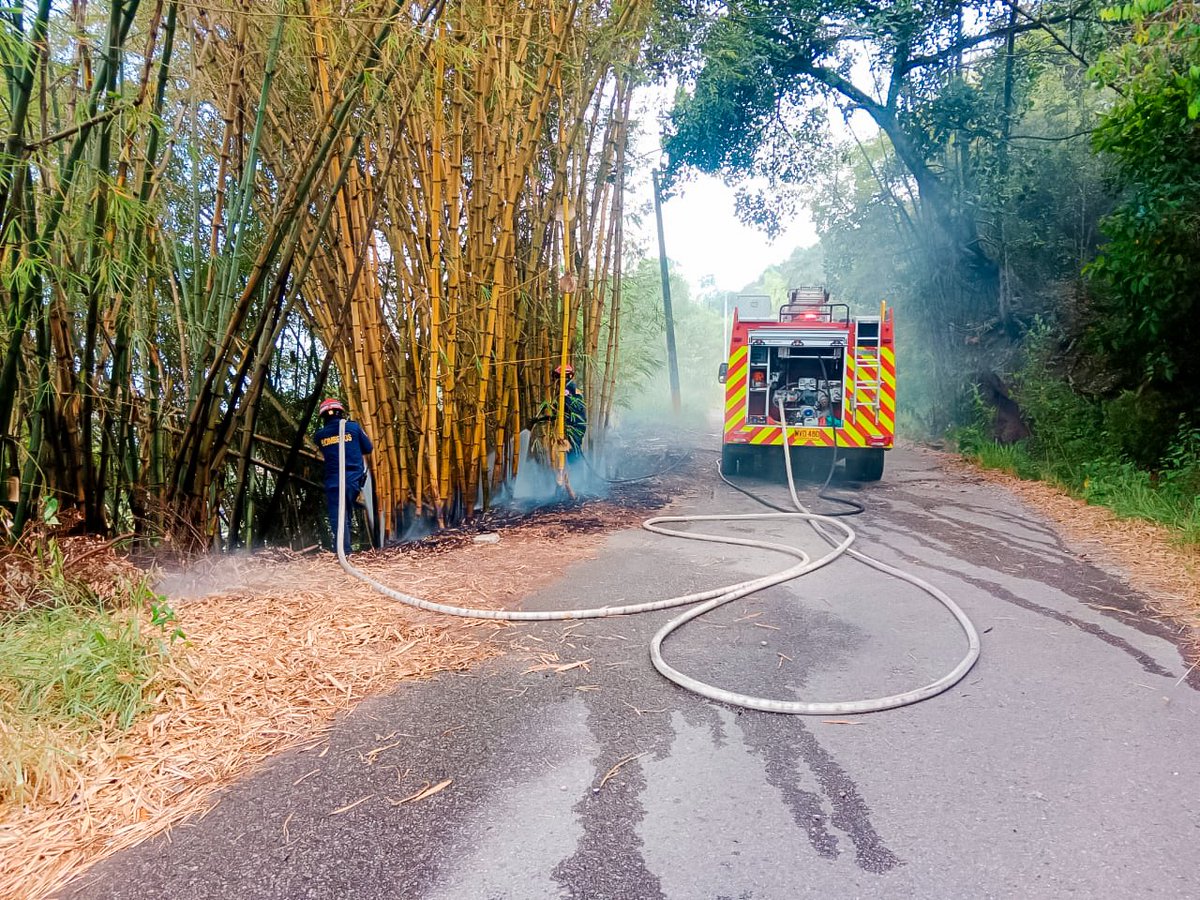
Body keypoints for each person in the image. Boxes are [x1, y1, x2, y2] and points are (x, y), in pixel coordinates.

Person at [314, 398, 373, 555]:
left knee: (338, 517)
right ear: (341, 412)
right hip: (354, 481)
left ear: (323, 417)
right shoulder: (353, 427)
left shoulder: (320, 435)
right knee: (348, 510)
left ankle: (344, 551)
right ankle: (349, 551)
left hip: (334, 482)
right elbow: (368, 448)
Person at [564, 379, 587, 463]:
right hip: (576, 427)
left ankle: (576, 469)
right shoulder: (572, 388)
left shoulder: (569, 388)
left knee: (573, 452)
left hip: (575, 427)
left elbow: (569, 406)